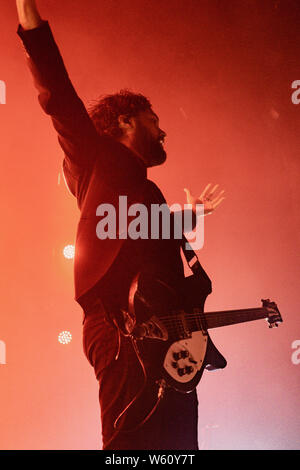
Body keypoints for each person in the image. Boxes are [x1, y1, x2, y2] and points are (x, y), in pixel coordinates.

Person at [16, 0, 225, 450]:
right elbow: (57, 92)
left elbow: (144, 245)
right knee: (132, 448)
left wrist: (184, 221)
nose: (163, 130)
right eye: (154, 120)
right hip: (120, 328)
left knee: (176, 449)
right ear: (125, 121)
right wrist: (28, 19)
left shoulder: (148, 194)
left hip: (170, 339)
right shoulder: (96, 159)